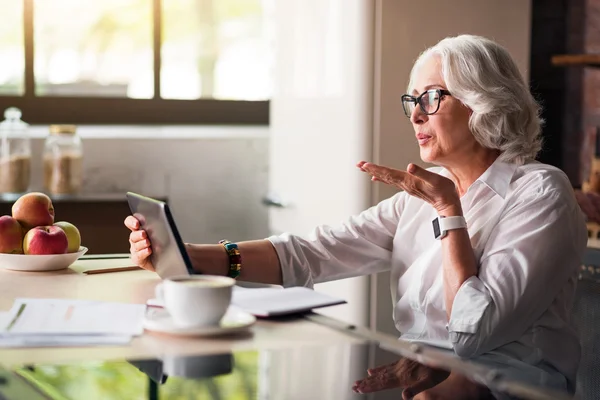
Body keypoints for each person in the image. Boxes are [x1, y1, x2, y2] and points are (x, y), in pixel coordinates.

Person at [125, 34, 587, 398]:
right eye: (411, 102)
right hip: (426, 378)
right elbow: (312, 254)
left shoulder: (540, 193)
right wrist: (187, 258)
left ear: (483, 100)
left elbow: (472, 331)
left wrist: (450, 213)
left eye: (430, 98)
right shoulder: (422, 193)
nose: (415, 116)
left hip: (509, 390)